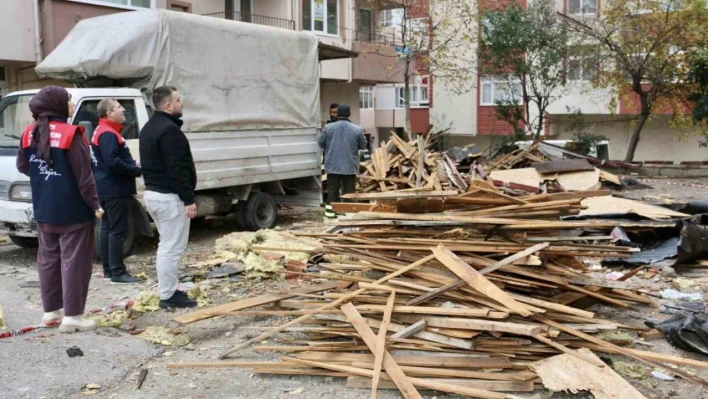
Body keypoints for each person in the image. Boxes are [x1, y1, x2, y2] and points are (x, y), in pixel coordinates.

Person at [16, 86, 104, 333]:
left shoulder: (28, 133)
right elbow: (85, 178)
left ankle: (51, 312)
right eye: (68, 99)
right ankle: (74, 316)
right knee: (75, 261)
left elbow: (23, 166)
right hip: (74, 210)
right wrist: (95, 205)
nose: (72, 104)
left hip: (44, 207)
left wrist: (46, 178)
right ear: (56, 104)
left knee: (48, 259)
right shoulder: (71, 133)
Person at [139, 86, 197, 309]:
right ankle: (168, 294)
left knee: (166, 246)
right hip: (169, 197)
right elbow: (177, 168)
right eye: (178, 100)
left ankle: (169, 287)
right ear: (167, 105)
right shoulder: (170, 131)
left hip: (154, 194)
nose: (181, 103)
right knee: (172, 248)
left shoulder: (149, 128)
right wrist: (188, 199)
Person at [91, 99, 143, 284]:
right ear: (109, 113)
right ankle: (118, 272)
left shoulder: (103, 130)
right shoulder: (108, 133)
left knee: (107, 228)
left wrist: (131, 164)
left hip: (105, 186)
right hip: (114, 188)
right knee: (117, 230)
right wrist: (136, 170)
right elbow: (112, 162)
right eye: (119, 107)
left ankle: (109, 270)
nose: (124, 110)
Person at [317, 104, 367, 218]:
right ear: (349, 114)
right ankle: (348, 214)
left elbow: (320, 143)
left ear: (337, 114)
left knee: (332, 191)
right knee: (349, 192)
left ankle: (330, 214)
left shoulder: (328, 128)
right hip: (349, 165)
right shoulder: (357, 129)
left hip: (332, 165)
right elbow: (363, 145)